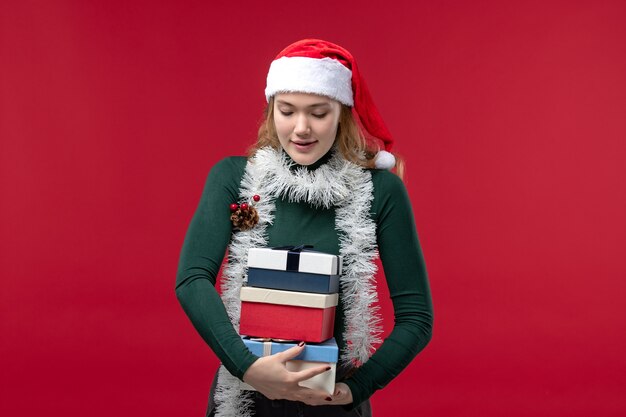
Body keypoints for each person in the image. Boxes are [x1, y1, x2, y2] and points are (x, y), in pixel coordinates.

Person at [175, 39, 433, 417]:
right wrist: (247, 367)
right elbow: (192, 278)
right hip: (244, 399)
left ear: (342, 113)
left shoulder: (381, 190)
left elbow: (417, 316)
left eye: (318, 112)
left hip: (331, 403)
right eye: (287, 110)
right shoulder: (235, 178)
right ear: (270, 110)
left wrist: (353, 390)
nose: (301, 128)